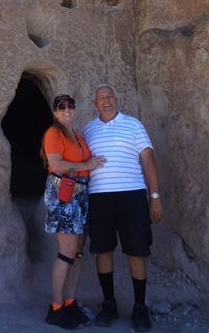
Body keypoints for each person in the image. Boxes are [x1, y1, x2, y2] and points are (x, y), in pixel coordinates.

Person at [83, 85, 164, 332]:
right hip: (98, 198)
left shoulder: (133, 124)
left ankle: (140, 307)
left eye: (109, 97)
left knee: (136, 251)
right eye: (101, 98)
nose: (106, 101)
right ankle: (109, 305)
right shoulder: (88, 129)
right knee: (103, 251)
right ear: (95, 103)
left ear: (116, 100)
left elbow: (148, 160)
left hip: (131, 196)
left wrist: (155, 197)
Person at [42, 93, 107, 330]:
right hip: (63, 194)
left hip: (81, 195)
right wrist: (85, 166)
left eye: (70, 105)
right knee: (66, 251)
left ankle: (70, 302)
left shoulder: (78, 136)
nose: (67, 109)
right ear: (55, 112)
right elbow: (56, 164)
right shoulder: (54, 133)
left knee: (78, 251)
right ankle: (56, 309)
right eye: (62, 107)